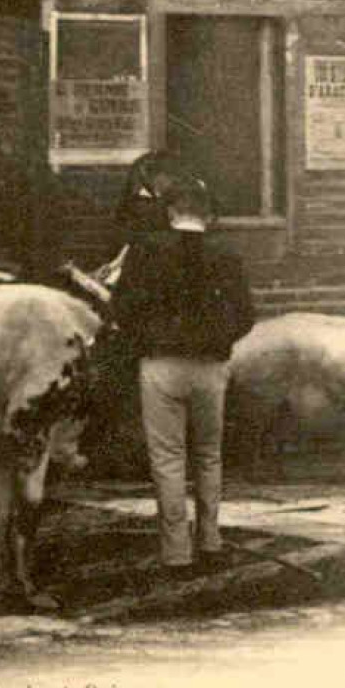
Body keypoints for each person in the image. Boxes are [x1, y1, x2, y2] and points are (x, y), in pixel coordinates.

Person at [110, 175, 256, 576]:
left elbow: (121, 309)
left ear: (171, 211)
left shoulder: (146, 251)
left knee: (167, 459)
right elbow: (245, 315)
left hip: (160, 364)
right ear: (207, 214)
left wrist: (146, 339)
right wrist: (219, 339)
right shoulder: (227, 253)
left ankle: (176, 552)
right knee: (210, 455)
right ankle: (211, 541)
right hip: (210, 366)